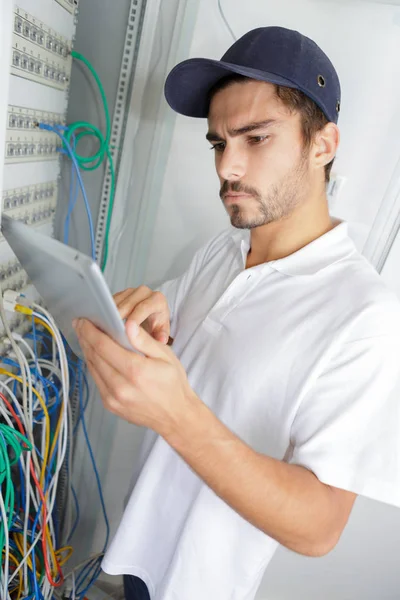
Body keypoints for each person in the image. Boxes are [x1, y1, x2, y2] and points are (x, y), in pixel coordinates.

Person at [74, 26, 400, 600]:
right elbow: (174, 327)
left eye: (255, 138)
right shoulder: (221, 250)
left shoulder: (364, 316)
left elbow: (320, 526)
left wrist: (175, 413)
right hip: (138, 548)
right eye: (219, 143)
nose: (228, 168)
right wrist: (145, 313)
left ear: (322, 145)